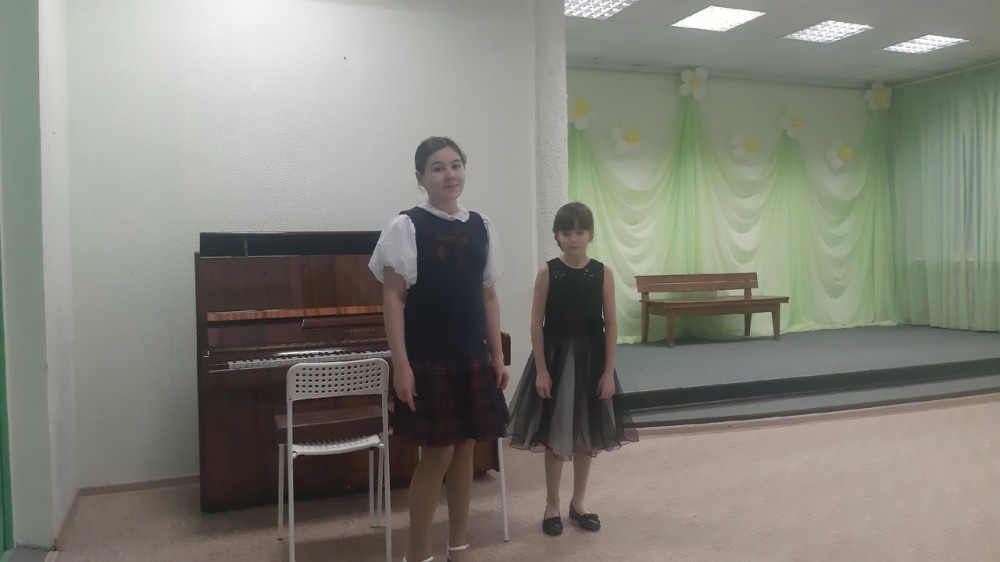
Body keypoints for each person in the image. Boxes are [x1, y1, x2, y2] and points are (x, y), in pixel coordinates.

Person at [369, 136, 510, 562]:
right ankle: (417, 554)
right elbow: (393, 298)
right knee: (436, 457)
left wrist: (497, 356)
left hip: (471, 357)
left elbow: (488, 295)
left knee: (466, 451)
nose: (449, 174)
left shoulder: (481, 226)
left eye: (455, 165)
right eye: (437, 167)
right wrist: (401, 365)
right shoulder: (407, 227)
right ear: (421, 177)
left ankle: (459, 546)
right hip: (428, 359)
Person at [507, 201, 639, 537]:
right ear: (557, 235)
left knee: (585, 431)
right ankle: (552, 503)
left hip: (592, 360)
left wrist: (608, 371)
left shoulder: (602, 273)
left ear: (590, 234)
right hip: (556, 360)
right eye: (567, 232)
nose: (574, 238)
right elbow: (536, 323)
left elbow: (611, 323)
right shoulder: (548, 271)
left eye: (580, 232)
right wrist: (541, 370)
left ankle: (579, 502)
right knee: (556, 430)